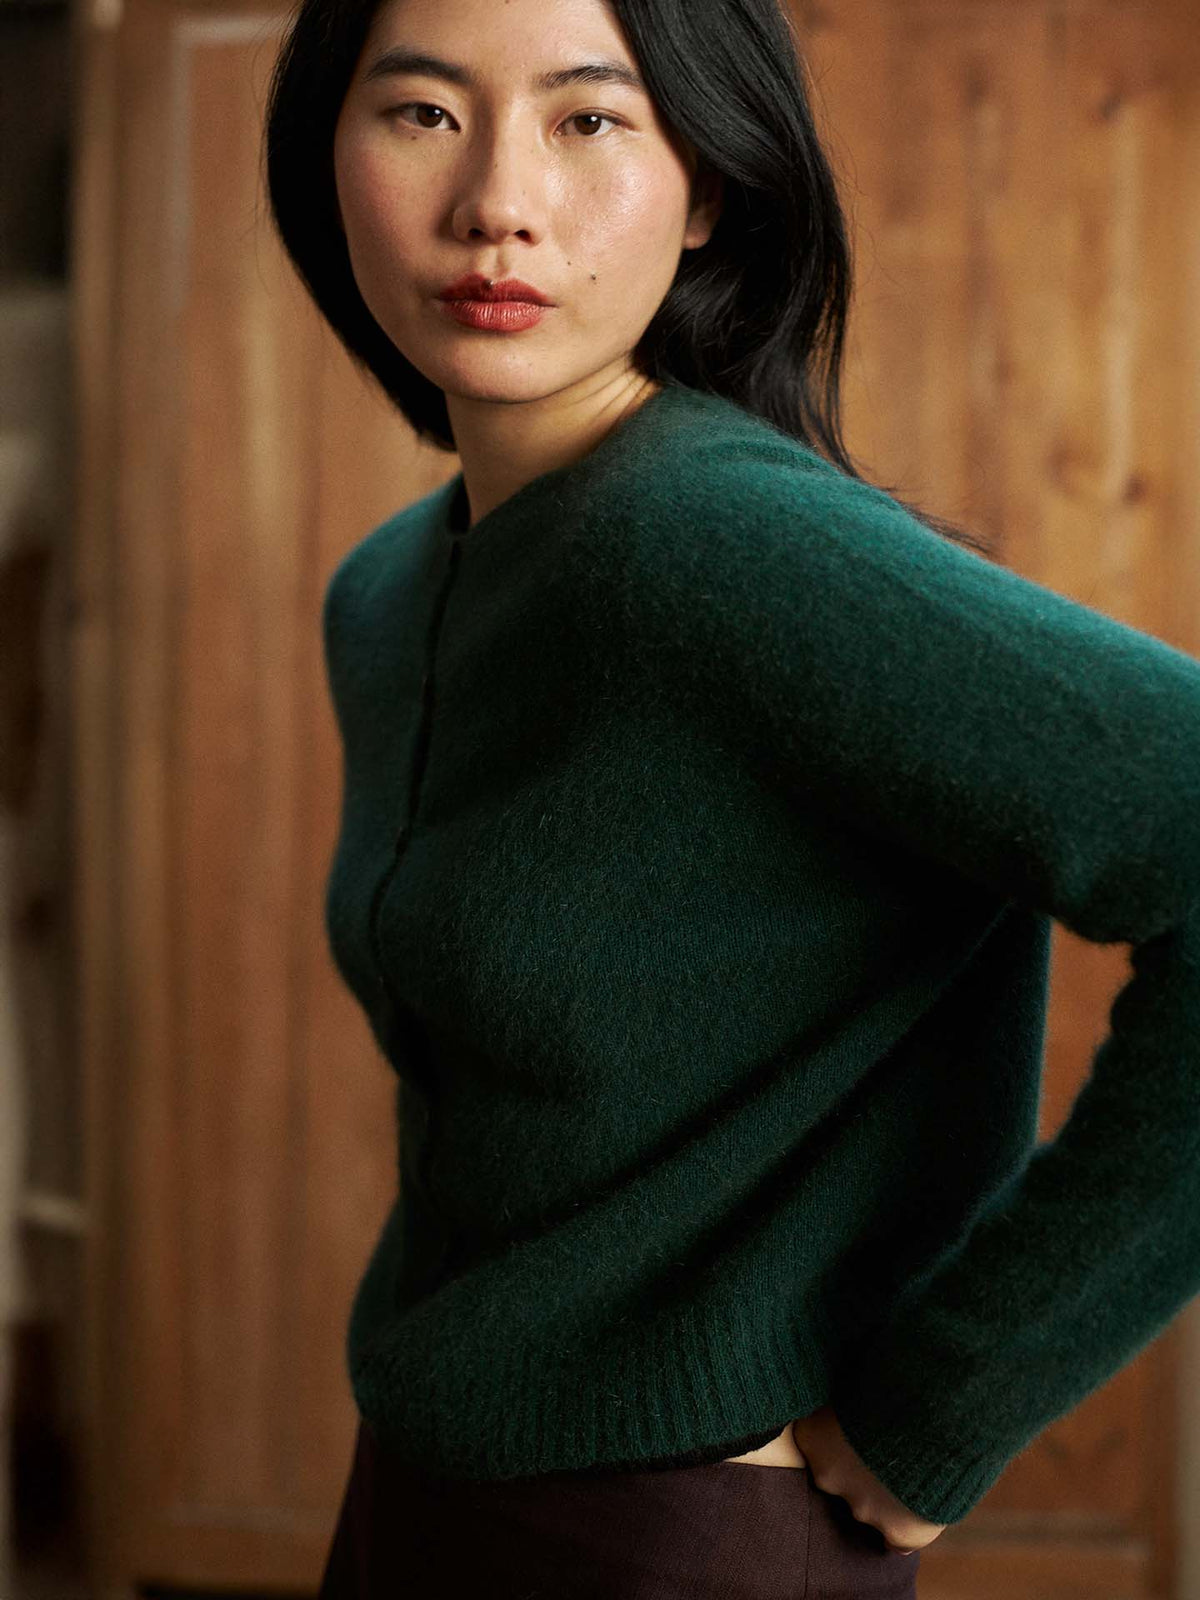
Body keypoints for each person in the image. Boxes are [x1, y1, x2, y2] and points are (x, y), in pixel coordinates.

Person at [263, 0, 1200, 1593]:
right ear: (324, 158)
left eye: (590, 120)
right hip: (422, 1477)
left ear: (706, 188)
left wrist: (948, 1401)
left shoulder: (711, 546)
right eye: (422, 112)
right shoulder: (391, 588)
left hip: (678, 1534)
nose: (500, 198)